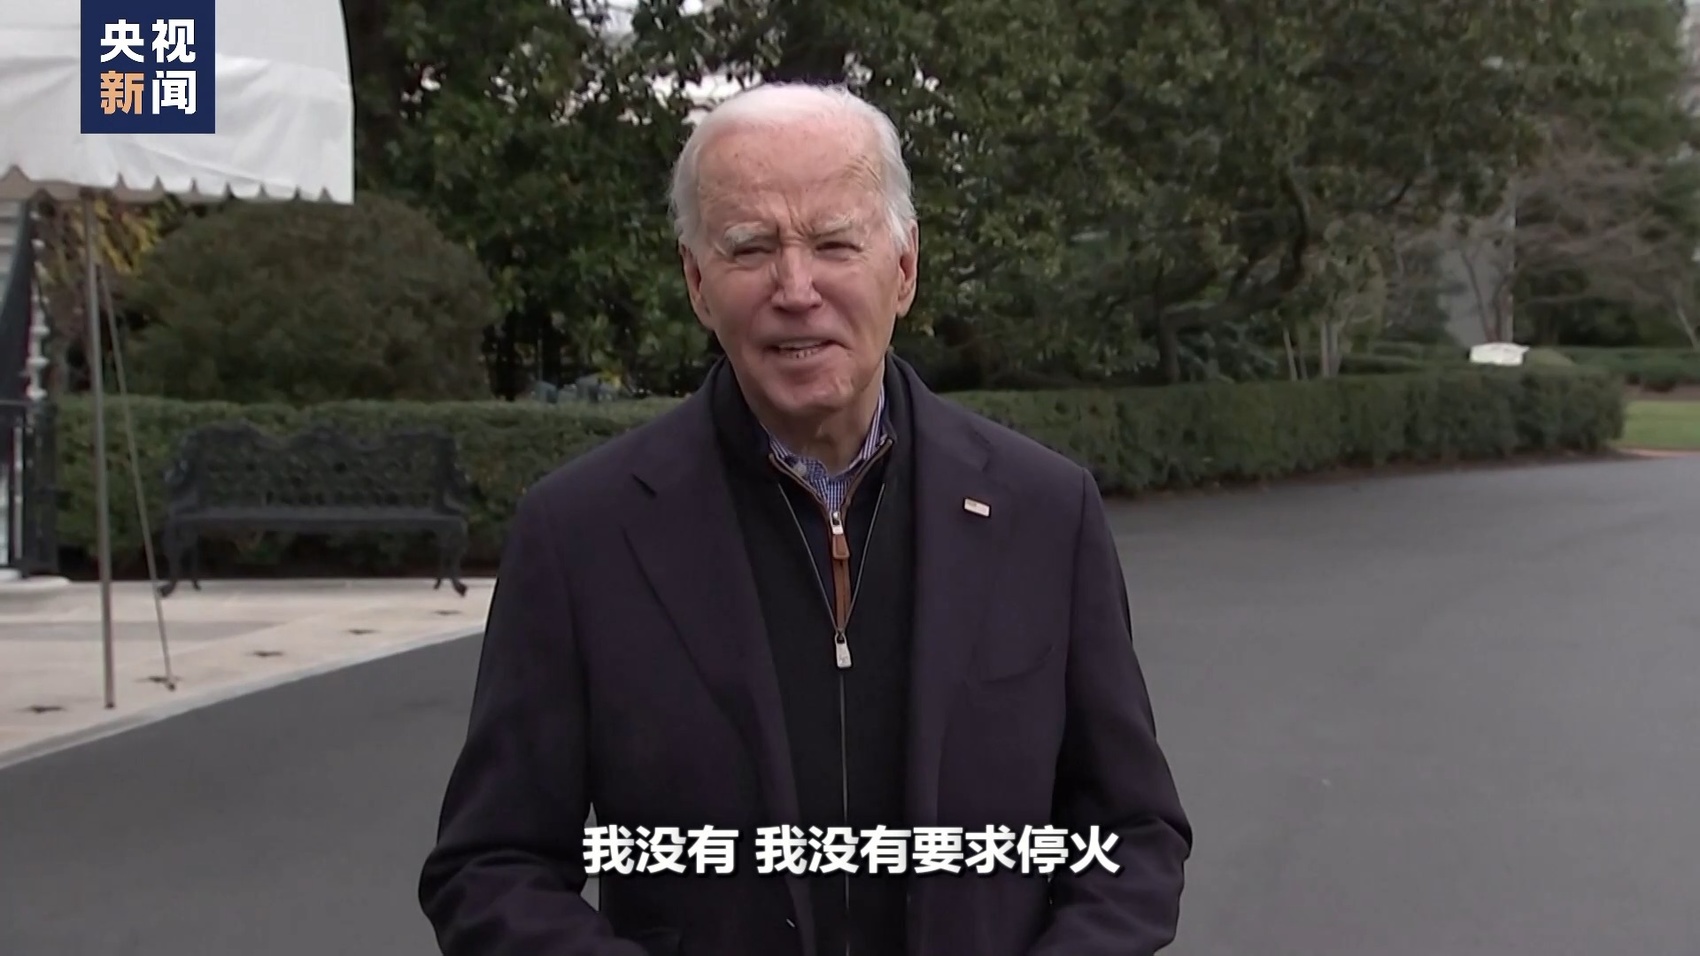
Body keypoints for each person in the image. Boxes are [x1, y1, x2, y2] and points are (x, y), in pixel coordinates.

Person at [418, 81, 1192, 956]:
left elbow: (1131, 833)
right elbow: (493, 866)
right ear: (697, 281)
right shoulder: (582, 534)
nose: (795, 287)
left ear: (904, 268)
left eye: (834, 243)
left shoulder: (1045, 513)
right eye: (751, 247)